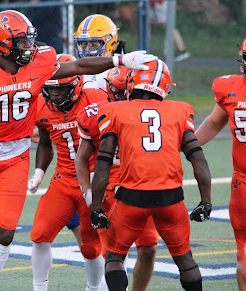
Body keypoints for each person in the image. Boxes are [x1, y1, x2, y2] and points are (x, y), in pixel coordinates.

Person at [0, 9, 156, 290]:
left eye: (29, 40)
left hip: (47, 163)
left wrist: (121, 60)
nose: (29, 47)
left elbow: (83, 74)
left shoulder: (51, 66)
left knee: (28, 234)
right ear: (2, 45)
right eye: (21, 42)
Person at [90, 59, 212, 291]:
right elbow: (198, 159)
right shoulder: (179, 110)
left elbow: (103, 162)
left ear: (132, 81)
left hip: (131, 198)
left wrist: (96, 207)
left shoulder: (114, 110)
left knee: (115, 258)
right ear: (164, 86)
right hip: (171, 198)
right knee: (185, 260)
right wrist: (205, 201)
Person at [27, 54, 109, 291]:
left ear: (76, 85)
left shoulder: (95, 99)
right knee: (40, 234)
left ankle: (94, 288)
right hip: (63, 179)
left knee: (91, 246)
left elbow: (113, 138)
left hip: (94, 180)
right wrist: (39, 172)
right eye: (51, 90)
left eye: (61, 90)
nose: (54, 96)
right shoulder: (42, 107)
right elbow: (44, 142)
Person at [76, 66, 158, 291]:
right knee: (113, 255)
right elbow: (81, 158)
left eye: (126, 91)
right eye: (117, 91)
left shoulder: (148, 115)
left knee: (149, 247)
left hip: (141, 186)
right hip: (108, 189)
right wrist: (88, 192)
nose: (122, 96)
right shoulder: (95, 115)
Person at [195, 37, 246, 290]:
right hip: (243, 181)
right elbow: (216, 121)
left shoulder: (232, 87)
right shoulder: (231, 90)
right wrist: (190, 145)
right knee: (243, 254)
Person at [74, 14, 123, 90]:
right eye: (84, 44)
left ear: (110, 43)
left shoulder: (120, 71)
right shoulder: (75, 72)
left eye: (93, 45)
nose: (87, 50)